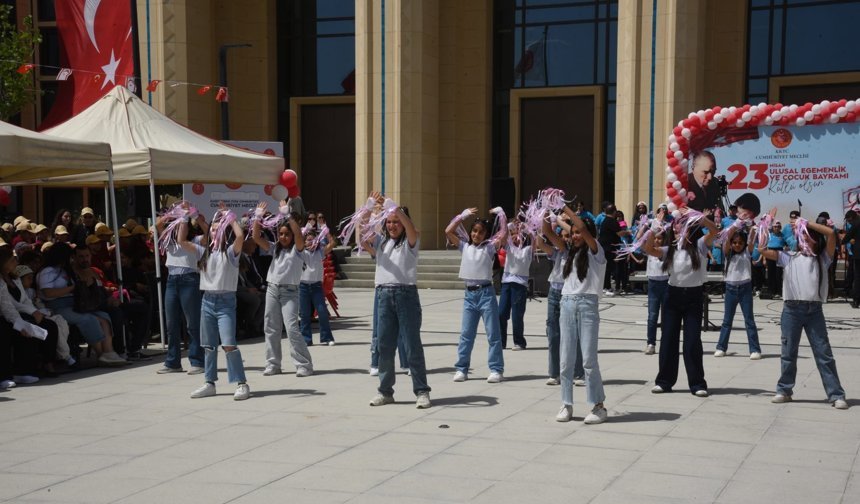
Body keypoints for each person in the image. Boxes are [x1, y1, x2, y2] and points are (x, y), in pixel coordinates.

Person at [758, 210, 848, 409]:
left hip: (814, 310)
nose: (804, 238)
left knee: (823, 353)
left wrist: (806, 223)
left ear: (815, 240)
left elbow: (831, 234)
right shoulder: (788, 256)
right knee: (788, 352)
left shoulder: (822, 258)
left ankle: (835, 394)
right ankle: (784, 389)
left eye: (807, 236)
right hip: (791, 310)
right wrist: (766, 224)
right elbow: (762, 249)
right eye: (801, 235)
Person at [361, 193, 431, 408]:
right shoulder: (382, 243)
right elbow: (363, 232)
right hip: (383, 295)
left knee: (412, 345)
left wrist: (396, 210)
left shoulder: (410, 242)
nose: (392, 226)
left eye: (396, 222)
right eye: (389, 222)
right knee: (384, 345)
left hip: (405, 295)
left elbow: (412, 229)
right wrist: (369, 206)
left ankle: (421, 391)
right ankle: (385, 391)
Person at [645, 207, 718, 396]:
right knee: (668, 339)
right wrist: (654, 227)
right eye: (676, 228)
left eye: (682, 227)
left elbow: (715, 231)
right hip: (672, 297)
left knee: (692, 341)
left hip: (694, 297)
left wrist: (700, 218)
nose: (678, 230)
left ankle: (697, 383)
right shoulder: (669, 250)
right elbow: (647, 249)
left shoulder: (700, 246)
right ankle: (664, 381)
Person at [187, 203, 251, 401]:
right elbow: (181, 240)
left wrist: (229, 218)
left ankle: (241, 383)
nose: (214, 233)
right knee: (208, 345)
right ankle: (209, 382)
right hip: (207, 300)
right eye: (212, 230)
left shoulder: (230, 252)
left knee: (229, 344)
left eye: (218, 229)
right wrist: (183, 218)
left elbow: (240, 236)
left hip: (225, 302)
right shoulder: (204, 252)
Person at [552, 206, 607, 424]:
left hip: (587, 305)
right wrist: (548, 213)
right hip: (567, 304)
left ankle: (598, 406)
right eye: (571, 232)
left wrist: (564, 207)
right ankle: (566, 404)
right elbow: (548, 232)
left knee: (588, 360)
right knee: (565, 360)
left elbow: (582, 228)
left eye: (577, 233)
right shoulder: (569, 253)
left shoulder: (596, 251)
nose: (574, 236)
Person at [37, 243, 127, 366]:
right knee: (89, 319)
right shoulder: (47, 272)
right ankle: (100, 354)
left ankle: (109, 352)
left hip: (74, 303)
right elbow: (48, 293)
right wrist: (72, 288)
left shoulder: (65, 270)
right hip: (57, 305)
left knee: (103, 317)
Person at [251, 201, 314, 378]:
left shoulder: (298, 249)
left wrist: (288, 216)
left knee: (292, 328)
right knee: (271, 328)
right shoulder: (274, 248)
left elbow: (298, 234)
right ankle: (273, 364)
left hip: (290, 292)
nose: (284, 237)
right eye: (281, 234)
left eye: (287, 234)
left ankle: (304, 364)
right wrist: (257, 217)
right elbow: (256, 237)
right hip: (272, 289)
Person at [445, 207, 506, 383]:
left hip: (486, 293)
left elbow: (503, 235)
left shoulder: (488, 248)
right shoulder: (464, 247)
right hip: (469, 295)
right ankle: (462, 368)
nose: (476, 234)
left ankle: (496, 369)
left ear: (486, 235)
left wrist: (501, 216)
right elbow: (448, 231)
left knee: (493, 334)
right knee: (466, 334)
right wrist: (461, 216)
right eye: (474, 231)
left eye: (480, 232)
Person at [156, 207, 206, 375]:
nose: (178, 226)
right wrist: (175, 212)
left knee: (193, 324)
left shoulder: (196, 240)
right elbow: (158, 224)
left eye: (181, 224)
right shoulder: (169, 240)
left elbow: (211, 235)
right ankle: (173, 362)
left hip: (190, 280)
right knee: (172, 324)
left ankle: (197, 361)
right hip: (172, 281)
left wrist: (195, 217)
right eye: (176, 224)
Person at [538, 213, 584, 386]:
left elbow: (555, 233)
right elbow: (544, 238)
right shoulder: (559, 251)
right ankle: (554, 372)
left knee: (574, 334)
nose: (566, 239)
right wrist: (541, 216)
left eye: (568, 235)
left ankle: (578, 373)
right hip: (554, 294)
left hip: (570, 294)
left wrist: (558, 220)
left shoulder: (578, 249)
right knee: (553, 333)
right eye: (563, 236)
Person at [0, 249, 59, 382]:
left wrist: (31, 314)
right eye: (12, 260)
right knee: (7, 331)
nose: (16, 262)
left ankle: (32, 368)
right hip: (10, 315)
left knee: (45, 325)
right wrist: (27, 317)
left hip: (14, 314)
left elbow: (14, 304)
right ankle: (5, 375)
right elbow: (10, 305)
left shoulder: (13, 278)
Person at [714, 225, 761, 360]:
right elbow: (727, 240)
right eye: (735, 243)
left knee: (749, 320)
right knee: (727, 321)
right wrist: (734, 227)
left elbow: (751, 241)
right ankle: (721, 347)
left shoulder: (747, 252)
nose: (737, 245)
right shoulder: (728, 253)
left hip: (745, 288)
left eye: (740, 243)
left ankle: (755, 349)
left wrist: (752, 230)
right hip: (730, 289)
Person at [299, 225, 336, 346]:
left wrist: (327, 232)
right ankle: (306, 339)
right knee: (304, 314)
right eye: (308, 240)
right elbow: (295, 243)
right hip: (303, 286)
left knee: (322, 311)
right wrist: (302, 233)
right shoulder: (300, 253)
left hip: (316, 286)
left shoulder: (320, 252)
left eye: (313, 239)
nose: (311, 242)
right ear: (304, 242)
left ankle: (326, 337)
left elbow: (332, 244)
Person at [498, 220, 532, 350]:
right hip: (506, 283)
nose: (516, 237)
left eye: (519, 235)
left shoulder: (528, 250)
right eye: (514, 235)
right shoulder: (509, 247)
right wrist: (509, 227)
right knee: (501, 313)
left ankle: (519, 341)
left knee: (517, 315)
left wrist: (527, 229)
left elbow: (535, 239)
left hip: (520, 285)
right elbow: (502, 237)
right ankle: (501, 341)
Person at [644, 224, 669, 355]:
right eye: (656, 238)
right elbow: (638, 240)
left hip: (665, 283)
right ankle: (651, 343)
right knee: (652, 316)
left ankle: (665, 343)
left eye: (660, 239)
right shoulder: (650, 249)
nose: (657, 241)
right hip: (653, 283)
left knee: (666, 316)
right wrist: (647, 228)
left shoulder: (665, 250)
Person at [765, 219, 787, 298]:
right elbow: (765, 247)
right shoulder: (769, 235)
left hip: (779, 254)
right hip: (770, 253)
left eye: (778, 227)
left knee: (779, 274)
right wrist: (764, 258)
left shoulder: (783, 235)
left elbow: (787, 245)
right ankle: (771, 291)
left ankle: (779, 292)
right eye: (775, 227)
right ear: (772, 227)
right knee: (771, 273)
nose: (777, 228)